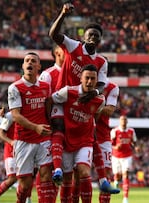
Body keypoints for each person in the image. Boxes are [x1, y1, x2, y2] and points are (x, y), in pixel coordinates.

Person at [48, 1, 119, 195]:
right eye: (90, 34)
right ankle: (56, 168)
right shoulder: (73, 46)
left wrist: (94, 93)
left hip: (81, 104)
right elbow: (53, 35)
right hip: (64, 98)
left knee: (90, 136)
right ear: (83, 36)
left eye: (97, 36)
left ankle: (102, 178)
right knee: (58, 129)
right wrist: (62, 14)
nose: (93, 37)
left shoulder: (102, 61)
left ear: (100, 41)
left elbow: (102, 85)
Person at [48, 64, 105, 202]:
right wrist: (50, 122)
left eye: (93, 78)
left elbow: (95, 116)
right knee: (67, 178)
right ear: (81, 78)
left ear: (97, 80)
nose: (89, 82)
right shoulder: (68, 92)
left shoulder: (100, 100)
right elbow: (50, 100)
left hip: (84, 141)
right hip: (67, 140)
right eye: (87, 78)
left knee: (84, 172)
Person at [7, 52, 56, 203]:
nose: (30, 63)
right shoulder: (15, 87)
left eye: (33, 61)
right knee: (25, 184)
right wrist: (35, 127)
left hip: (43, 138)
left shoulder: (46, 86)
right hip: (24, 140)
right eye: (27, 61)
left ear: (38, 66)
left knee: (46, 175)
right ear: (23, 66)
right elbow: (15, 115)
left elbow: (48, 109)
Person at [73, 81, 120, 203]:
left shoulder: (112, 87)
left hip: (103, 137)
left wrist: (89, 105)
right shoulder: (82, 83)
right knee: (78, 175)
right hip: (82, 135)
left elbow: (109, 110)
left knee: (106, 174)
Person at [0, 108, 33, 203]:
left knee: (28, 177)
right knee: (12, 179)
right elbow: (0, 133)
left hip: (25, 151)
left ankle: (28, 199)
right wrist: (11, 142)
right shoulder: (10, 116)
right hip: (11, 151)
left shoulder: (29, 113)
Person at [111, 115, 139, 203]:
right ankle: (116, 181)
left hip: (127, 156)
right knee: (117, 175)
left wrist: (136, 147)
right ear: (119, 121)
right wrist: (116, 147)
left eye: (125, 120)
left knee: (126, 174)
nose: (123, 121)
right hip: (116, 156)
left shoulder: (131, 131)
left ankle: (125, 198)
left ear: (127, 121)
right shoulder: (115, 131)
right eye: (122, 120)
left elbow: (134, 142)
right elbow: (110, 144)